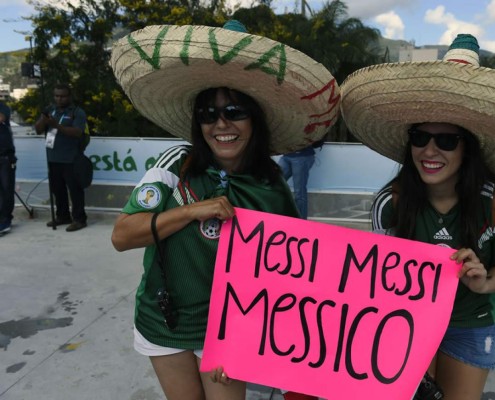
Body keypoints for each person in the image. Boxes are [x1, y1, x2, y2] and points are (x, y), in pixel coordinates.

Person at [109, 21, 339, 400]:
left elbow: (290, 273)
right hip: (162, 322)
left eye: (235, 111)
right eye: (208, 114)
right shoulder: (174, 165)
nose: (221, 124)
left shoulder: (271, 185)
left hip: (228, 333)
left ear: (256, 120)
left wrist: (244, 340)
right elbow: (122, 235)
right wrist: (190, 212)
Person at [340, 34, 495, 400]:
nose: (430, 150)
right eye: (420, 137)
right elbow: (377, 274)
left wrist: (483, 282)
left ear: (469, 149)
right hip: (404, 323)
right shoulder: (389, 203)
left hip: (471, 323)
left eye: (447, 140)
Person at [34, 83, 88, 232]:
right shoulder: (50, 111)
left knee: (75, 190)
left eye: (63, 96)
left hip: (71, 158)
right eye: (57, 96)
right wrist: (43, 119)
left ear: (69, 96)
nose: (60, 99)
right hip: (53, 158)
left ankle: (79, 219)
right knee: (57, 190)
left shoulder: (77, 112)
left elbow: (77, 132)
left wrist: (56, 125)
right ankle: (63, 216)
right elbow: (38, 130)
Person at [278, 142, 320, 219]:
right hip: (286, 155)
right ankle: (278, 214)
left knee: (299, 191)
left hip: (302, 156)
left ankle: (301, 221)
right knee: (274, 182)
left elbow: (317, 139)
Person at [0, 100, 16, 234]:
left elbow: (2, 117)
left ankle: (5, 220)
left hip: (5, 158)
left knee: (6, 190)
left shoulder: (3, 107)